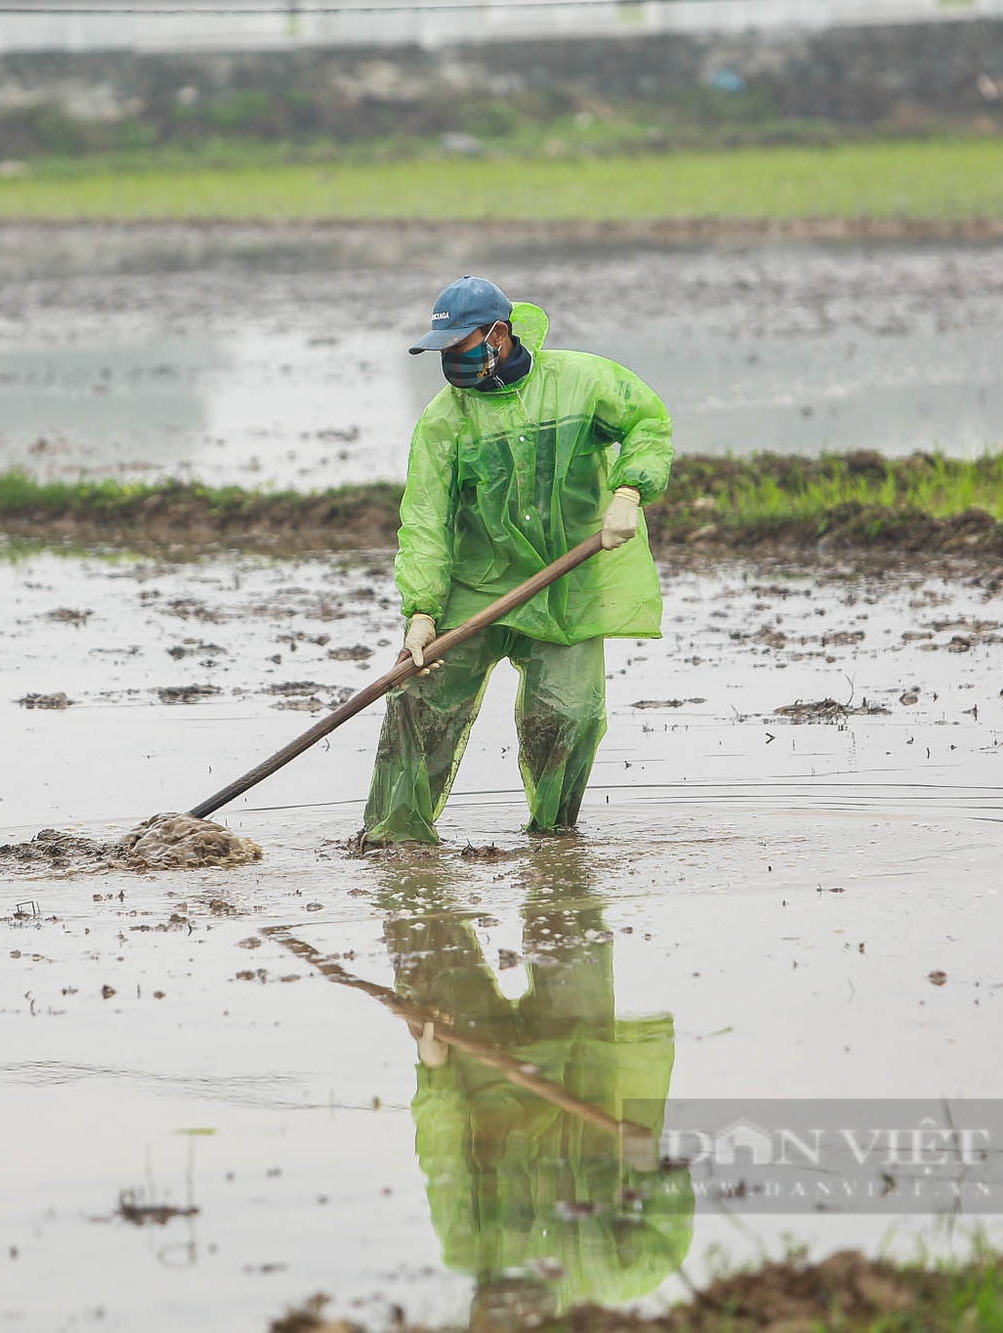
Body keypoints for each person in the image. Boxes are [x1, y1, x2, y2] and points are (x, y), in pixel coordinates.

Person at [363, 276, 674, 845]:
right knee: (421, 699)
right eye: (443, 351)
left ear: (498, 334)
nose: (451, 362)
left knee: (565, 716)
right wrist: (422, 611)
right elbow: (427, 520)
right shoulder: (443, 421)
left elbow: (647, 423)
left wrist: (630, 492)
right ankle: (393, 843)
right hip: (477, 585)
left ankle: (555, 843)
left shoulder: (582, 383)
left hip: (568, 581)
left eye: (460, 347)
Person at [379, 846, 694, 1324]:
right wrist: (651, 1165)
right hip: (577, 1057)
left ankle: (399, 848)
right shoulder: (624, 1275)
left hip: (478, 1071)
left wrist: (434, 1067)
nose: (508, 1312)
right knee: (572, 913)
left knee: (418, 922)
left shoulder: (468, 1250)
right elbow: (668, 1216)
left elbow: (440, 1153)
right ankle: (558, 841)